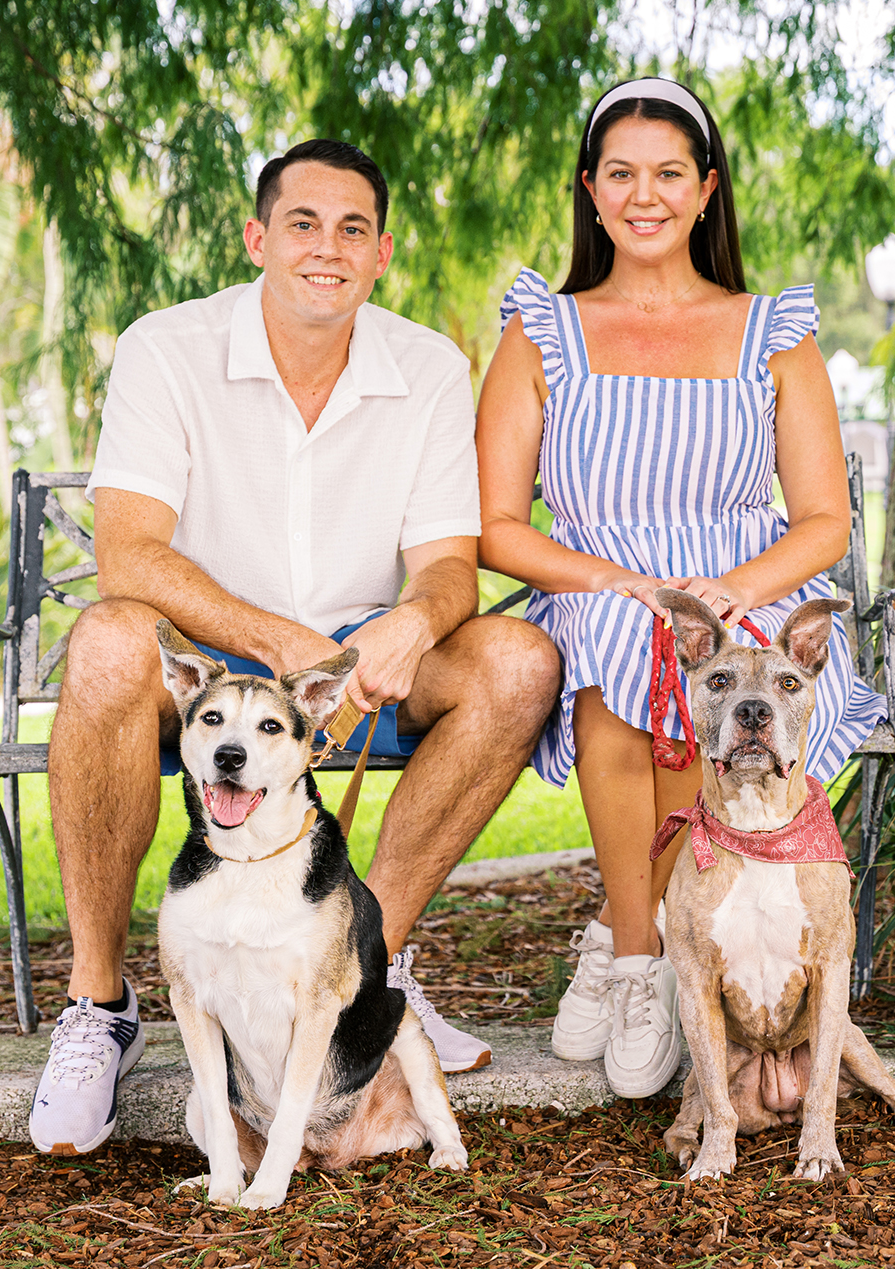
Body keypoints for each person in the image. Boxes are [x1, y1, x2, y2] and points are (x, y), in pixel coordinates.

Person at [29, 139, 561, 1156]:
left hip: (363, 656)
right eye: (303, 224)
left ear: (382, 252)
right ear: (257, 238)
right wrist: (275, 641)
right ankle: (99, 1008)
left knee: (517, 662)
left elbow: (449, 567)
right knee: (103, 646)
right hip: (206, 645)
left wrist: (413, 620)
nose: (328, 248)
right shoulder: (168, 347)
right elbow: (127, 556)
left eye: (352, 229)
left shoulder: (428, 366)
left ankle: (363, 977)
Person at [476, 79, 887, 1099]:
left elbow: (823, 520)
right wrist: (617, 580)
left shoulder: (772, 334)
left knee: (725, 673)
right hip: (598, 579)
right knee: (620, 657)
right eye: (620, 173)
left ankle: (664, 940)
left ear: (706, 190)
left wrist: (732, 591)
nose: (643, 193)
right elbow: (495, 528)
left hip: (749, 582)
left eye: (667, 173)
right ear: (590, 189)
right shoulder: (541, 332)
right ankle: (634, 963)